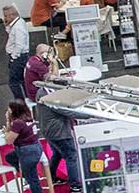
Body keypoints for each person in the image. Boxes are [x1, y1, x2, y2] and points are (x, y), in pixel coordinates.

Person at [32, 55, 78, 188]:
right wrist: (87, 115)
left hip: (48, 130)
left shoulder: (41, 91)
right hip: (59, 132)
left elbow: (53, 74)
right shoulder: (51, 97)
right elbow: (67, 111)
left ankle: (51, 177)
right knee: (71, 156)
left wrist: (53, 63)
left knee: (57, 153)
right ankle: (75, 185)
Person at [1, 102, 42, 193]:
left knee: (33, 179)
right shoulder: (27, 117)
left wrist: (7, 123)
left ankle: (28, 178)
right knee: (10, 157)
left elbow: (8, 140)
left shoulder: (18, 123)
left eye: (9, 109)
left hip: (27, 151)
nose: (8, 111)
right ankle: (25, 174)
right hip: (36, 147)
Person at [1, 4, 30, 101]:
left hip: (18, 58)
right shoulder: (18, 22)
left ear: (12, 15)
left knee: (13, 82)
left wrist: (13, 57)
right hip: (19, 57)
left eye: (6, 16)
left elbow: (19, 45)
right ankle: (26, 99)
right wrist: (6, 25)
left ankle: (20, 101)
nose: (4, 18)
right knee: (22, 80)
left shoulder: (18, 28)